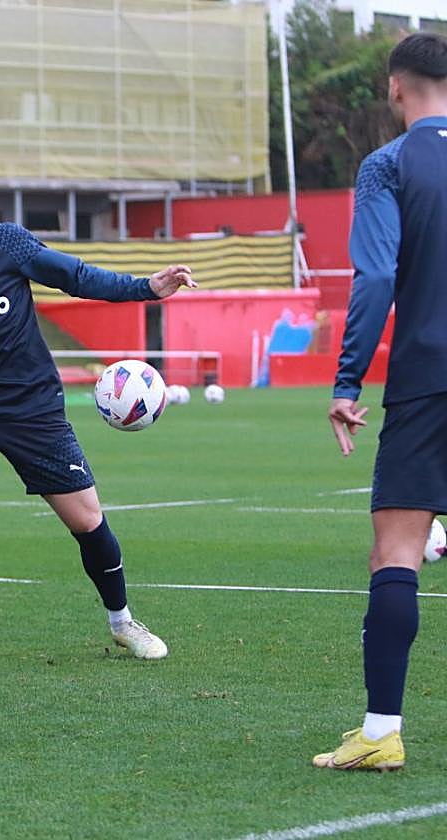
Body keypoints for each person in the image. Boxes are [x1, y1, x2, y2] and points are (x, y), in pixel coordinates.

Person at [0, 155, 196, 676]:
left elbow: (75, 276)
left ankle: (123, 623)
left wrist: (146, 287)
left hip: (34, 412)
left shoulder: (6, 243)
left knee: (88, 520)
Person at [317, 33, 447, 772]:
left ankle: (380, 733)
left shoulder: (389, 164)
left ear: (396, 88)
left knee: (396, 551)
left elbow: (372, 281)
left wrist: (346, 382)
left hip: (429, 377)